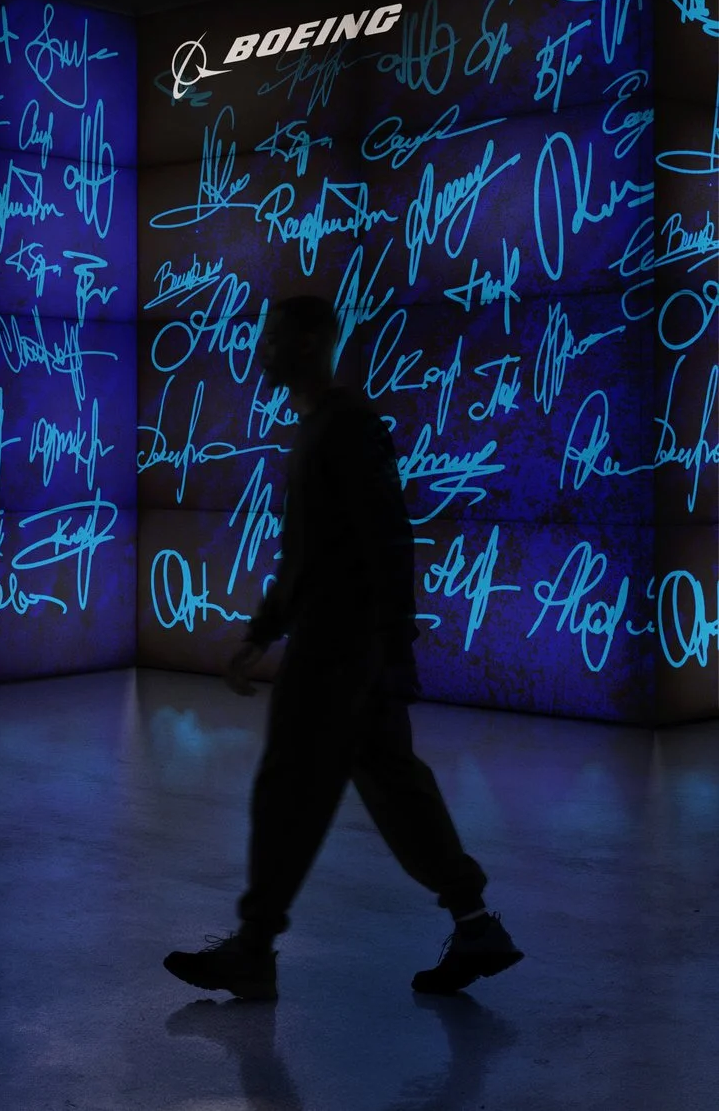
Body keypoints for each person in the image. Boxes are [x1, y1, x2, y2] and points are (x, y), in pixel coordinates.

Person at [164, 295, 521, 1002]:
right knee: (397, 790)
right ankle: (475, 923)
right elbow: (309, 553)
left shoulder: (348, 426)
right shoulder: (323, 428)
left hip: (339, 652)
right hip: (348, 648)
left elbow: (387, 540)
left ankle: (254, 949)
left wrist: (388, 648)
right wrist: (265, 633)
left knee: (289, 792)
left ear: (307, 344)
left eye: (272, 339)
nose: (261, 351)